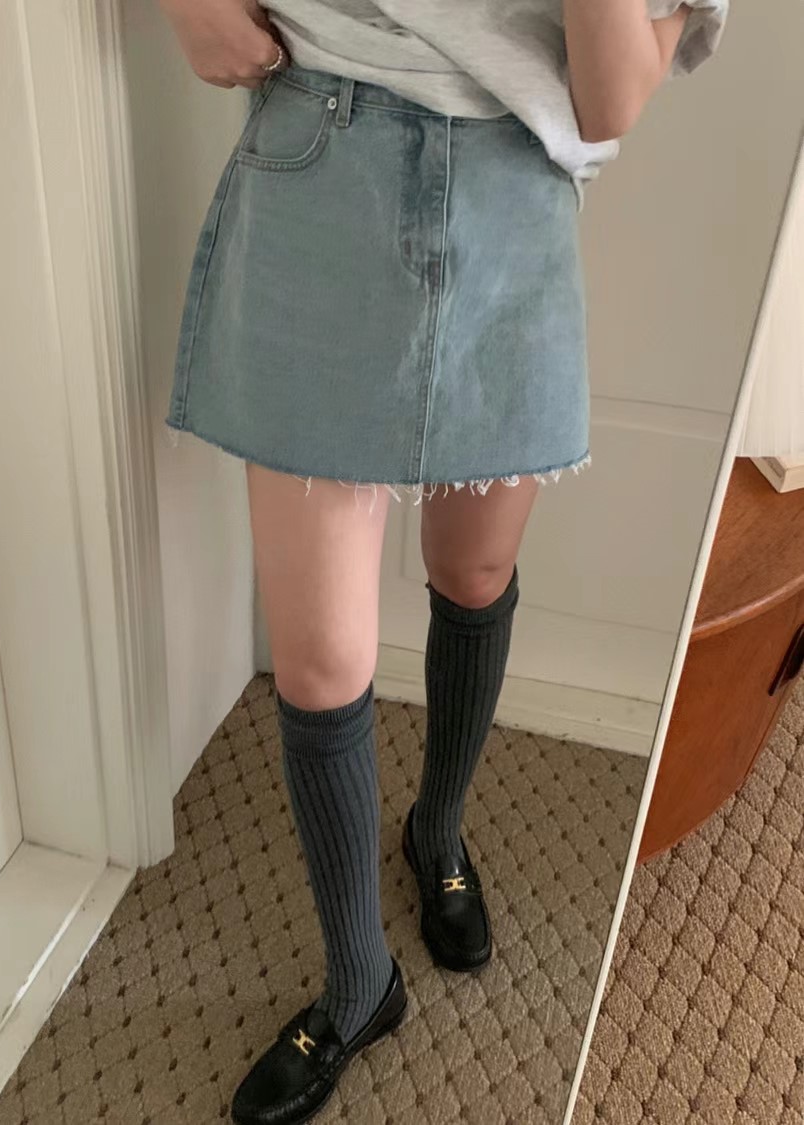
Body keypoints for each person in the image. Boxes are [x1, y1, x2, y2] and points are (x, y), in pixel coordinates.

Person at [158, 2, 728, 1122]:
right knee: (321, 660)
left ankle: (439, 826)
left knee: (474, 575)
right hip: (320, 153)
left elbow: (613, 96)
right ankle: (358, 982)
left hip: (513, 195)